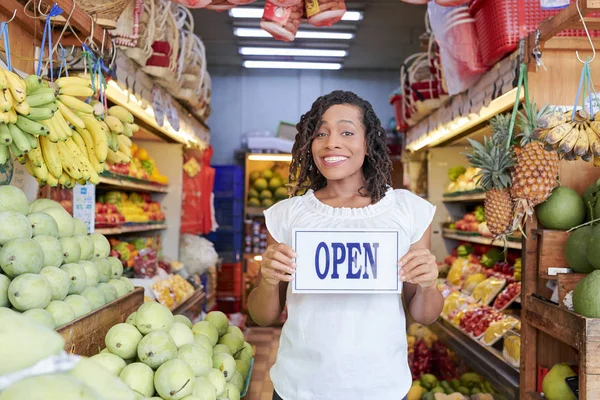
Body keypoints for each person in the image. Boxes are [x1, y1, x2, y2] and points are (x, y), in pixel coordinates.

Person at [247, 90, 443, 400]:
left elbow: (423, 314)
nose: (331, 142)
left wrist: (430, 285)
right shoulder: (286, 216)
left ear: (368, 143)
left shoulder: (408, 211)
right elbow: (263, 316)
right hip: (299, 388)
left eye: (347, 132)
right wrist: (268, 281)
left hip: (382, 388)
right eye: (320, 133)